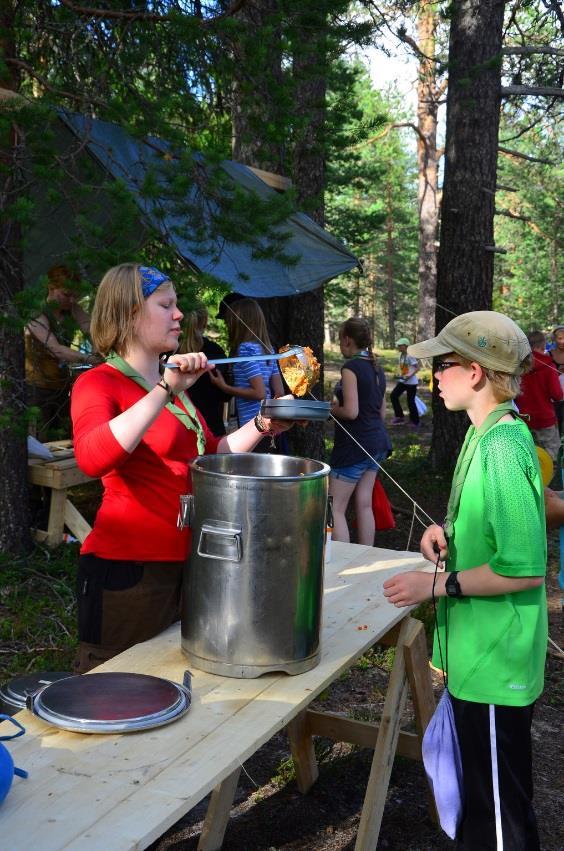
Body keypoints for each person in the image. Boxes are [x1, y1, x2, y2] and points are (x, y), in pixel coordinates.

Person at [70, 263, 294, 674]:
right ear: (129, 313)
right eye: (165, 305)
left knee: (172, 683)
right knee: (114, 689)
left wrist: (263, 423)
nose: (179, 315)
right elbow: (91, 457)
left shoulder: (173, 388)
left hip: (187, 562)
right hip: (129, 571)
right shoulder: (100, 383)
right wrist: (164, 389)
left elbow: (210, 453)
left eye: (177, 305)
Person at [383, 311, 547, 850]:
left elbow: (520, 570)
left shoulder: (502, 445)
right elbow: (492, 528)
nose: (433, 375)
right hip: (477, 657)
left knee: (501, 816)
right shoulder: (484, 435)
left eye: (443, 365)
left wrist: (434, 585)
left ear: (475, 373)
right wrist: (449, 530)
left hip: (495, 659)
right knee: (482, 802)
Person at [329, 317, 392, 546]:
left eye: (339, 341)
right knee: (364, 503)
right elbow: (381, 412)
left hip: (354, 447)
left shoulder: (350, 368)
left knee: (333, 506)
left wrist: (331, 409)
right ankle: (366, 553)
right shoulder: (377, 367)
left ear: (347, 340)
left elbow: (351, 411)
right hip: (376, 443)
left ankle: (341, 559)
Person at [25, 265, 98, 439]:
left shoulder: (71, 308)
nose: (72, 300)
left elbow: (91, 329)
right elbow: (56, 349)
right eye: (66, 294)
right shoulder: (36, 313)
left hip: (61, 387)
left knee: (65, 439)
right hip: (36, 388)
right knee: (41, 442)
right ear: (51, 288)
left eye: (75, 295)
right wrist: (92, 359)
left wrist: (99, 347)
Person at [209, 297, 285, 451]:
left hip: (252, 424)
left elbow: (259, 393)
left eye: (229, 321)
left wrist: (224, 387)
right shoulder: (267, 349)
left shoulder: (245, 350)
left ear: (238, 323)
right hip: (270, 424)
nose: (227, 325)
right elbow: (279, 392)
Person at [178, 306, 230, 436]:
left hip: (179, 427)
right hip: (211, 426)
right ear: (205, 323)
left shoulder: (169, 352)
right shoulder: (214, 351)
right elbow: (226, 395)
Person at [516, 330, 563, 461]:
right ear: (543, 346)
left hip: (524, 420)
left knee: (529, 457)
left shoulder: (517, 366)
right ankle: (550, 482)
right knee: (550, 458)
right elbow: (558, 395)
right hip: (545, 419)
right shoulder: (548, 366)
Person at [390, 336, 420, 427]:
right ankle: (399, 416)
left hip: (411, 383)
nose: (398, 347)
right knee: (393, 395)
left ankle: (415, 421)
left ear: (406, 346)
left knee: (410, 401)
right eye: (398, 345)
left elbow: (417, 368)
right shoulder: (401, 355)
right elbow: (403, 367)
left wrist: (409, 376)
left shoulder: (410, 356)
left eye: (400, 345)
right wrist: (399, 375)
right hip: (403, 381)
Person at [548, 324, 564, 435]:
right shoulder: (548, 355)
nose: (562, 341)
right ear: (554, 339)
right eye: (560, 338)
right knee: (557, 425)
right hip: (554, 398)